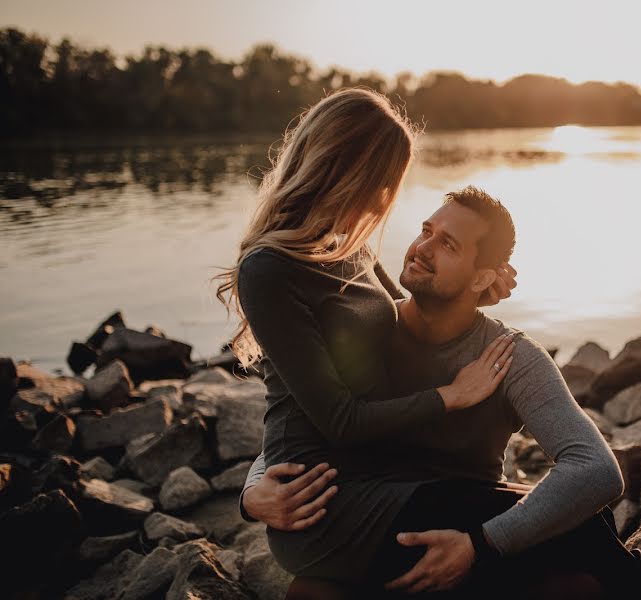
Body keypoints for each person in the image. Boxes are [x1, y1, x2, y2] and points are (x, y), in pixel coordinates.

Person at [242, 188, 641, 598]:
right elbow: (307, 416)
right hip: (372, 536)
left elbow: (596, 470)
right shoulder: (368, 335)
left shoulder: (507, 356)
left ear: (482, 278)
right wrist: (255, 489)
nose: (422, 248)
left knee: (577, 584)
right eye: (426, 231)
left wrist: (479, 546)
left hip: (464, 542)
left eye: (448, 245)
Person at [214, 89, 520, 587]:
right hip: (325, 505)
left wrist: (473, 292)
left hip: (388, 474)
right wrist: (453, 396)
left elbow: (405, 324)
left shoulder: (349, 246)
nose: (384, 197)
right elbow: (336, 420)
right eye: (380, 179)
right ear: (340, 168)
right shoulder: (269, 269)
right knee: (546, 522)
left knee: (557, 519)